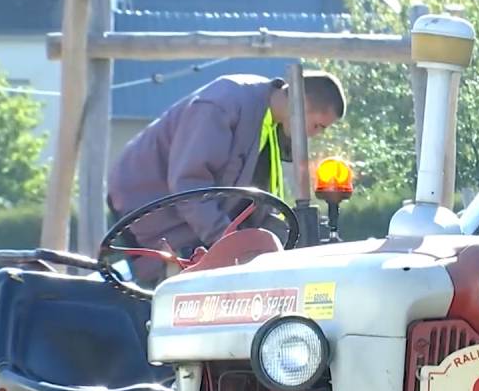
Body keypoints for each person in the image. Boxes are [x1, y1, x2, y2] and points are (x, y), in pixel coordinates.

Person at [107, 71, 346, 282]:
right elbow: (188, 185)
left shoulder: (269, 124)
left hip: (189, 224)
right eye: (318, 126)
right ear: (301, 104)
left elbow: (256, 204)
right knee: (159, 304)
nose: (315, 136)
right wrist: (231, 244)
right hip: (145, 209)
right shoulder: (222, 104)